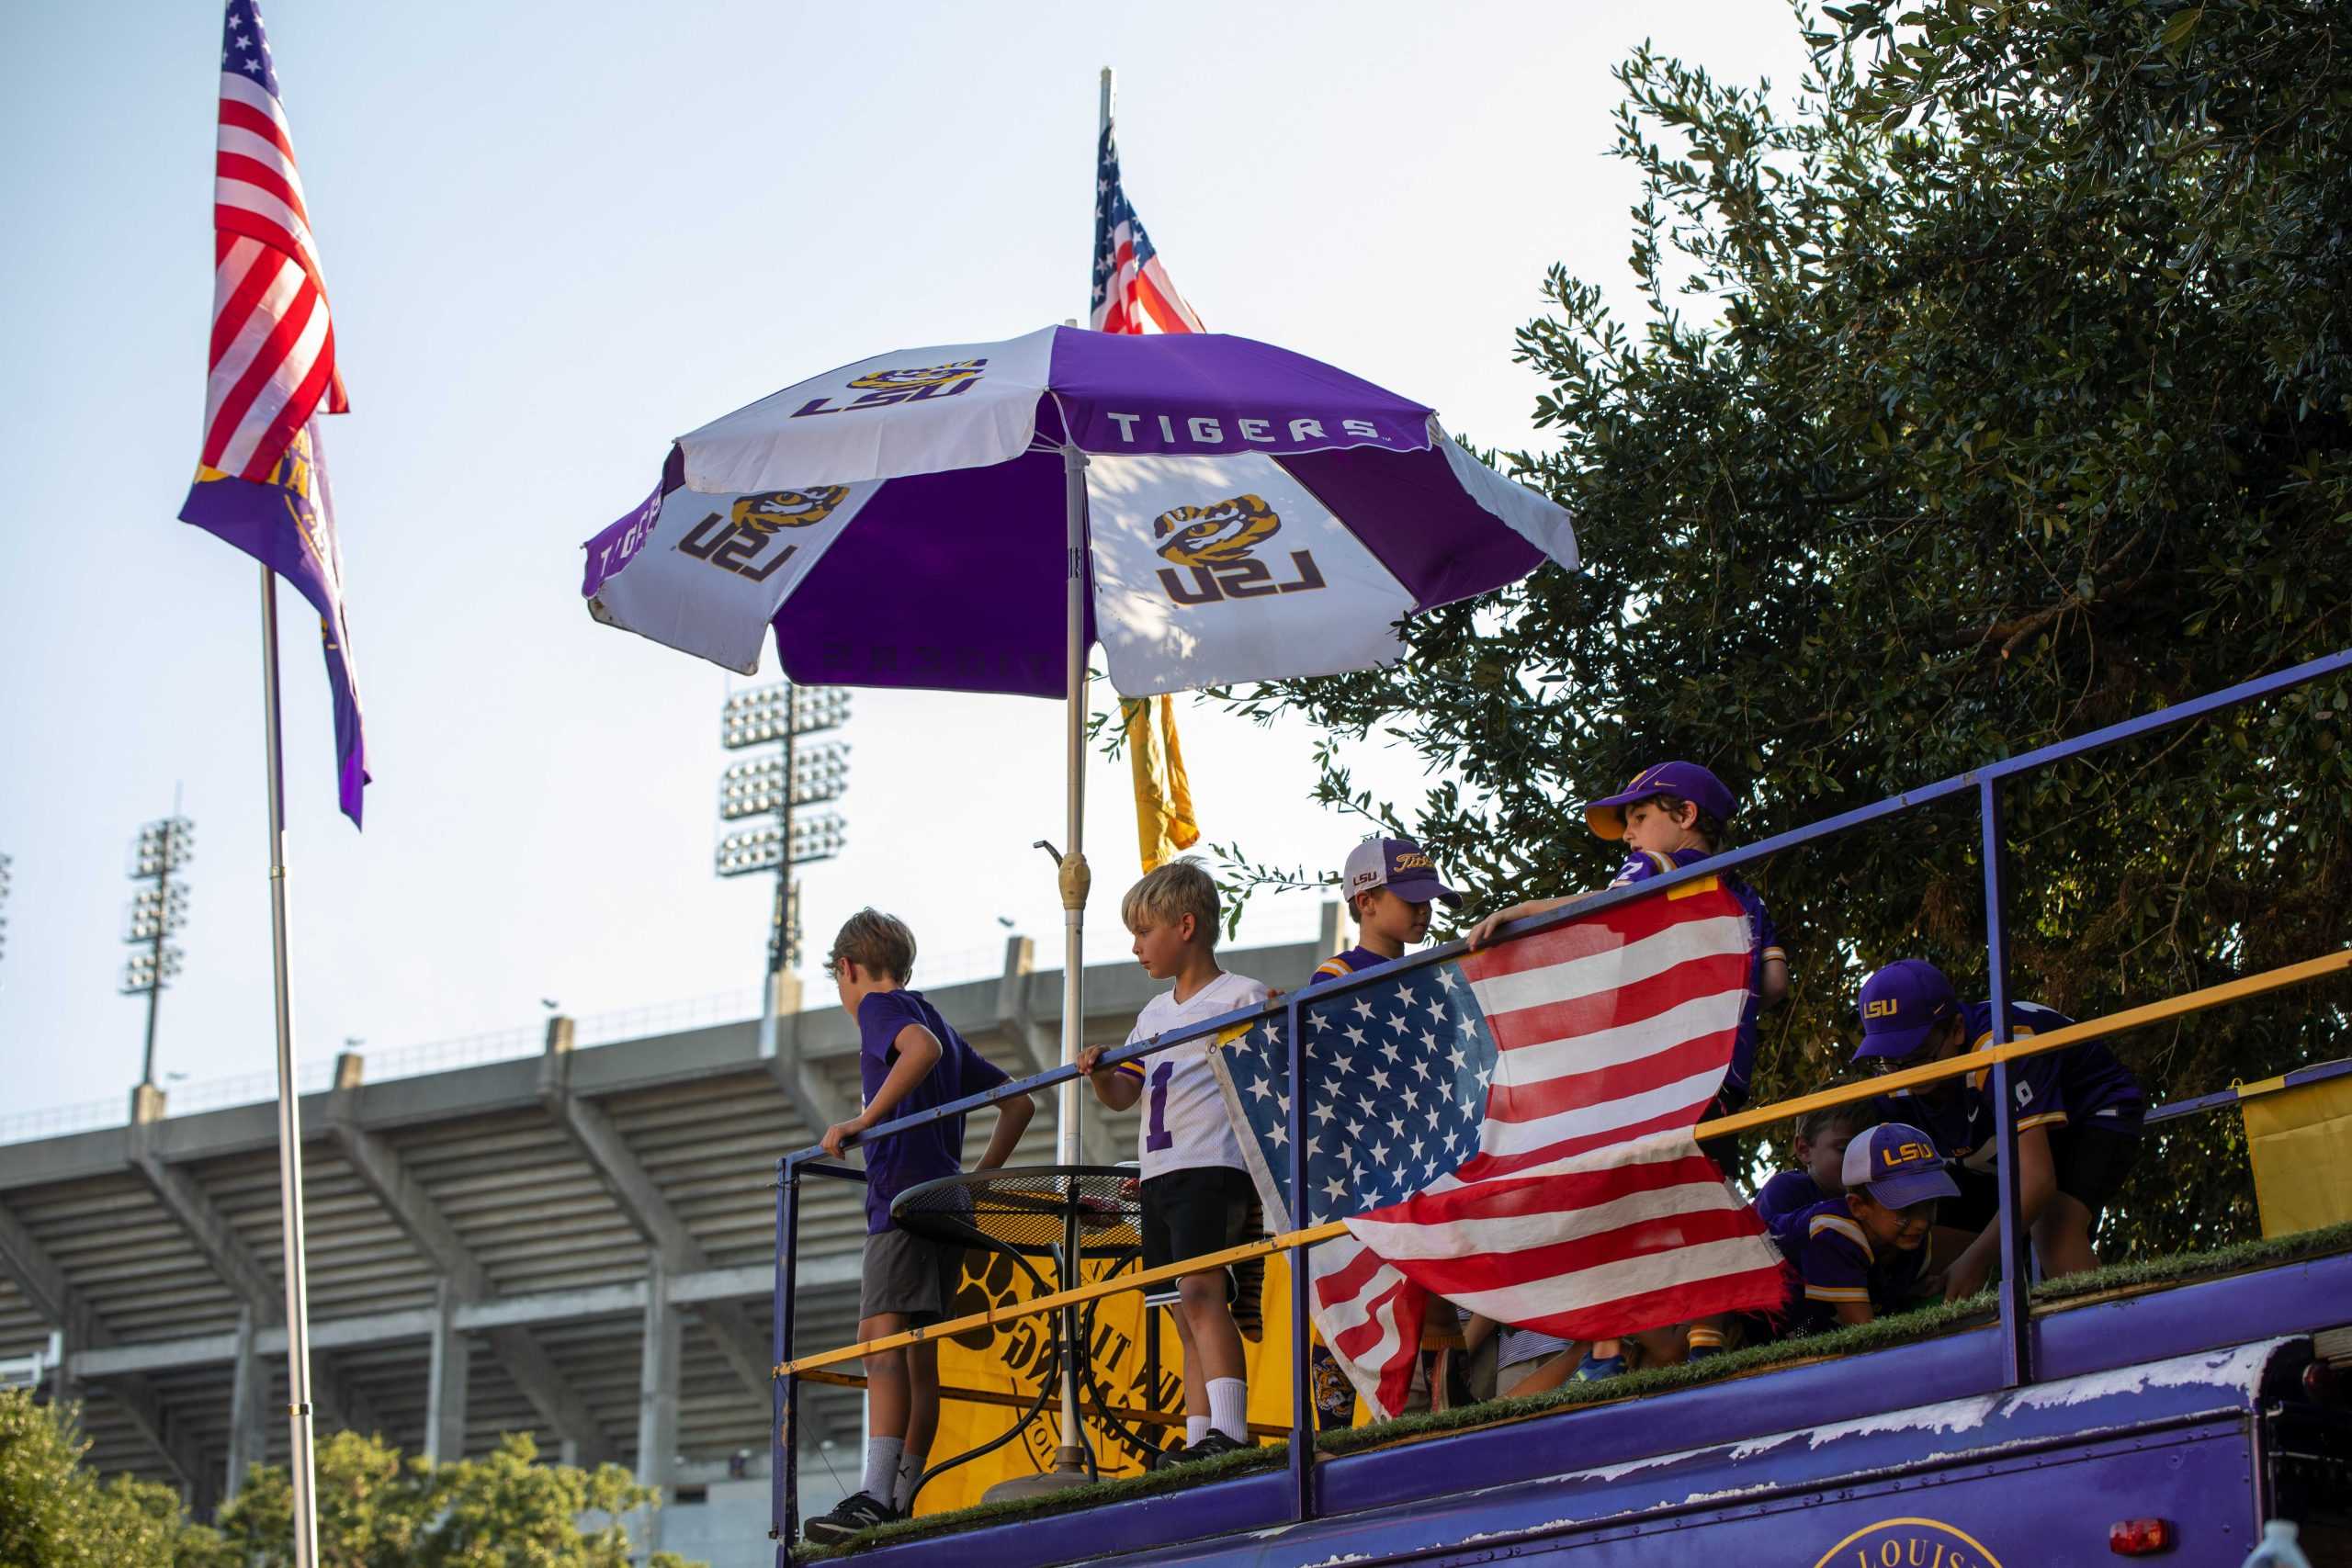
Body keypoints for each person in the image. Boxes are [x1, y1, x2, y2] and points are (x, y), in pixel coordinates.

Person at [1466, 761, 1788, 1375]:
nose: (1630, 835)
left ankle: (1607, 1348)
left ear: (1685, 815)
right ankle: (1706, 1333)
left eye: (1639, 817)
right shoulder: (1746, 894)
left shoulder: (1657, 868)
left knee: (1612, 1193)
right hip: (1724, 1072)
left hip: (1658, 1073)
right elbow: (1774, 982)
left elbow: (1600, 912)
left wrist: (1529, 909)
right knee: (1703, 1187)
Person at [800, 910, 1035, 1545]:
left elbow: (918, 1051)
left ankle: (876, 1494)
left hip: (900, 1202)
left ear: (848, 968)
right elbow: (1020, 1100)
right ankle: (898, 1495)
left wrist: (862, 1119)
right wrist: (975, 1179)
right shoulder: (939, 1020)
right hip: (943, 1201)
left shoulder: (883, 1010)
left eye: (840, 983)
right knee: (920, 1358)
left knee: (880, 1341)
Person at [1076, 858, 1270, 1461]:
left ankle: (1231, 1433)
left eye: (1144, 931)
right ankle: (1197, 1434)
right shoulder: (1152, 1015)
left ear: (1185, 926)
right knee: (1182, 1310)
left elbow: (1267, 1074)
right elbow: (1123, 1093)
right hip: (1160, 1174)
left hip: (1211, 1165)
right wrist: (1099, 1072)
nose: (1136, 948)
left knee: (1203, 1292)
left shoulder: (1240, 995)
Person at [1852, 959, 2144, 1300]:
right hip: (2000, 1140)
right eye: (1890, 1059)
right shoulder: (1895, 1078)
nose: (1906, 1072)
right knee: (1919, 1233)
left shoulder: (2002, 1043)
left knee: (2052, 1225)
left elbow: (2037, 1181)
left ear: (1957, 1029)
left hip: (2091, 1113)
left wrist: (1977, 1261)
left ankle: (2109, 1335)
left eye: (1918, 1055)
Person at [1302, 835, 1465, 1426]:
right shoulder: (1337, 974)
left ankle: (1442, 1414)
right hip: (1370, 1164)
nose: (1424, 910)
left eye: (1429, 899)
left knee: (1436, 1290)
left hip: (1427, 1153)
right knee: (1364, 1291)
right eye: (1410, 898)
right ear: (1365, 900)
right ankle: (1340, 1428)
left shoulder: (1430, 972)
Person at [1770, 1122, 1957, 1336]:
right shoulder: (1833, 1230)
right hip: (1758, 1327)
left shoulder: (1912, 1241)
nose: (1921, 1222)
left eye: (1929, 1203)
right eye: (1904, 1208)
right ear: (1858, 1206)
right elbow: (1867, 1335)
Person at [1753, 1098, 1877, 1235]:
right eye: (1844, 1149)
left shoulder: (1881, 1195)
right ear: (1804, 1149)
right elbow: (1759, 1245)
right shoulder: (1786, 1190)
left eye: (1871, 1149)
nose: (1861, 1158)